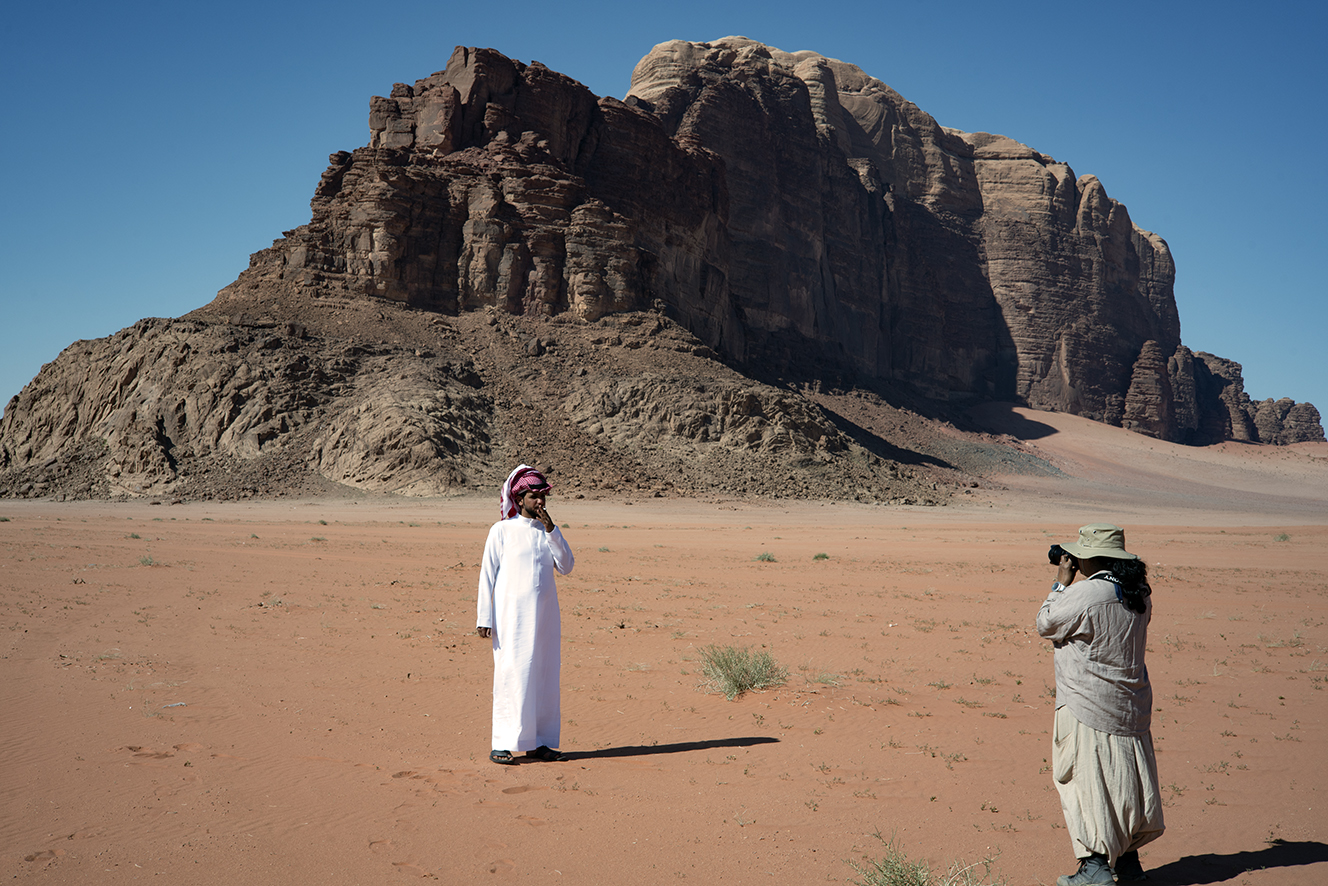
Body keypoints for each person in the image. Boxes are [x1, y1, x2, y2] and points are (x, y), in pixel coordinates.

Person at [1037, 524, 1164, 885]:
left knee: (1085, 781)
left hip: (1087, 702)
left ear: (1090, 557)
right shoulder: (1138, 592)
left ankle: (1094, 869)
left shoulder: (1087, 593)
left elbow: (1047, 623)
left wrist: (1062, 582)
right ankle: (1127, 864)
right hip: (1130, 705)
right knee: (1125, 781)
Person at [477, 465, 574, 764]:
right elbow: (487, 574)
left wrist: (552, 530)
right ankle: (502, 743)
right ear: (520, 499)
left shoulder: (549, 532)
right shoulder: (502, 531)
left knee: (543, 678)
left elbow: (567, 565)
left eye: (544, 496)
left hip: (544, 621)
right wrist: (484, 617)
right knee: (511, 676)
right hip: (511, 620)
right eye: (535, 497)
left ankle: (540, 743)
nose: (541, 502)